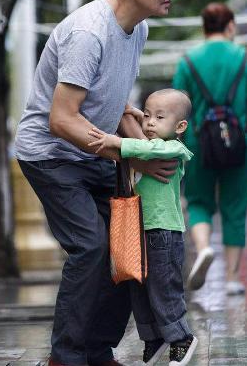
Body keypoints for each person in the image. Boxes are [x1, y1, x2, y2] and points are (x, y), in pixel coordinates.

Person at [15, 0, 178, 366]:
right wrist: (128, 156)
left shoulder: (138, 29)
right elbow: (61, 119)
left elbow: (118, 104)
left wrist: (146, 146)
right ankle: (64, 357)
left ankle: (97, 350)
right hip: (50, 155)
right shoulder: (90, 33)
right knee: (90, 247)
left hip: (96, 154)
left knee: (128, 245)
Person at [88, 89, 197, 366]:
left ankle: (181, 336)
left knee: (163, 287)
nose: (149, 122)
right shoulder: (148, 146)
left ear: (180, 126)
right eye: (147, 115)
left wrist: (117, 142)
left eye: (160, 117)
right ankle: (153, 337)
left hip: (164, 232)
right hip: (138, 230)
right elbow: (143, 148)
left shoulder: (174, 149)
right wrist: (130, 124)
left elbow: (150, 149)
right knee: (139, 287)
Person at [172, 3, 247, 295]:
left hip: (198, 144)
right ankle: (232, 277)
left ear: (205, 27)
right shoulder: (246, 58)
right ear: (230, 26)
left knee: (198, 201)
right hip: (241, 143)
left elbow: (175, 106)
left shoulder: (188, 61)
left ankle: (204, 248)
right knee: (235, 206)